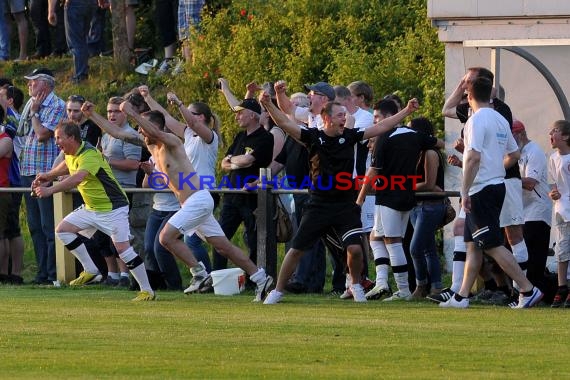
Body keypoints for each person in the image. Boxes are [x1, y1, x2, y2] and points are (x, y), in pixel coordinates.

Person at [261, 91, 420, 305]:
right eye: (339, 116)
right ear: (326, 118)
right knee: (296, 249)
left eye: (344, 116)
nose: (344, 119)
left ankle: (355, 285)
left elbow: (381, 127)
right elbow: (284, 122)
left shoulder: (350, 136)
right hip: (318, 205)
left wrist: (406, 111)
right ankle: (277, 291)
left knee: (355, 250)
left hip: (345, 205)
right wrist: (268, 104)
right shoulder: (313, 137)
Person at [118, 102, 273, 301]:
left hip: (198, 200)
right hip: (190, 203)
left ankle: (199, 274)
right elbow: (120, 134)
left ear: (155, 127)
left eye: (143, 126)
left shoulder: (170, 140)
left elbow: (150, 130)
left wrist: (132, 113)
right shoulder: (151, 146)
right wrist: (93, 115)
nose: (139, 130)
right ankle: (261, 278)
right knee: (223, 246)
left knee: (165, 238)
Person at [439, 77, 542, 309]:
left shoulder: (476, 120)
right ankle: (462, 296)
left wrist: (464, 191)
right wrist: (496, 168)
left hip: (481, 188)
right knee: (473, 244)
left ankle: (528, 289)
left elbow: (473, 156)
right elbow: (514, 155)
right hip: (494, 184)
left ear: (469, 96)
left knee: (492, 244)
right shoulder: (501, 118)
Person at [33, 121, 155, 301]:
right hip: (93, 209)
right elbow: (67, 166)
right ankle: (91, 270)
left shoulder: (89, 154)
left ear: (72, 137)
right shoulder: (71, 153)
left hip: (113, 208)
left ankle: (147, 291)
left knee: (123, 250)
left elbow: (77, 178)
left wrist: (49, 190)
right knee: (63, 230)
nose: (56, 141)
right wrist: (47, 176)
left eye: (59, 137)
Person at [357, 101, 444, 302]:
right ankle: (382, 283)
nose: (375, 121)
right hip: (406, 196)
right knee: (375, 238)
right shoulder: (414, 135)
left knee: (393, 241)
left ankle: (403, 289)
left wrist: (360, 200)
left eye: (378, 117)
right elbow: (438, 143)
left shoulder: (384, 138)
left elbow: (373, 173)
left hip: (389, 196)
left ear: (389, 116)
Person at [139, 86, 218, 274]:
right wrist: (147, 97)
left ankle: (205, 275)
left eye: (192, 114)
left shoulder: (209, 137)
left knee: (189, 241)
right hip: (191, 195)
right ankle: (219, 276)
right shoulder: (188, 135)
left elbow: (191, 122)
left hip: (204, 193)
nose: (187, 117)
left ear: (202, 117)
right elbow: (164, 118)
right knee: (218, 242)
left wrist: (179, 103)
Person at [213, 96, 273, 269]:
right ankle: (218, 277)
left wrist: (235, 160)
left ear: (253, 115)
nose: (236, 116)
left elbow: (249, 161)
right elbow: (224, 163)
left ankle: (254, 279)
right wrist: (237, 161)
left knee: (254, 241)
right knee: (219, 238)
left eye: (240, 113)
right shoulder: (240, 136)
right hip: (232, 196)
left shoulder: (265, 138)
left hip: (251, 197)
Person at [18, 68, 65, 286]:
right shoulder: (32, 104)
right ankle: (41, 272)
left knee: (48, 226)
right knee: (35, 226)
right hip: (29, 171)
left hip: (45, 172)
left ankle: (53, 272)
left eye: (33, 82)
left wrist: (35, 113)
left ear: (45, 85)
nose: (29, 85)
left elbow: (42, 135)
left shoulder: (56, 105)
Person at [511, 119, 552, 301]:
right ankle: (524, 291)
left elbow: (530, 183)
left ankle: (533, 292)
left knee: (534, 256)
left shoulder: (534, 151)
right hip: (521, 210)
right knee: (520, 252)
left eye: (511, 137)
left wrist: (508, 179)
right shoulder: (515, 153)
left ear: (520, 134)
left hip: (537, 210)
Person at [407, 117, 446, 298]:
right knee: (428, 249)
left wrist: (404, 186)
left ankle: (422, 285)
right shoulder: (417, 152)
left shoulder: (430, 152)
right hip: (418, 206)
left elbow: (429, 184)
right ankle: (435, 286)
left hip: (430, 205)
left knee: (416, 248)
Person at [0, 84, 25, 284]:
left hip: (10, 181)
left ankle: (14, 273)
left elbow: (9, 138)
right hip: (9, 181)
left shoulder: (12, 121)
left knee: (10, 229)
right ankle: (7, 272)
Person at [547, 120, 570, 308]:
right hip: (561, 211)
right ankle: (562, 287)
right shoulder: (553, 158)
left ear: (565, 136)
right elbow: (554, 185)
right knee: (561, 251)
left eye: (555, 131)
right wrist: (553, 193)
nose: (550, 134)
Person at [48, 0, 97, 83]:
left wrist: (51, 11)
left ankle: (80, 75)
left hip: (73, 4)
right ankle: (84, 69)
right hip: (91, 3)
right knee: (83, 39)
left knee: (76, 42)